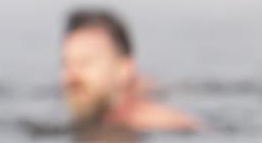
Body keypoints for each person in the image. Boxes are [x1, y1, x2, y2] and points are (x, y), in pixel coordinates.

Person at [59, 7, 200, 134]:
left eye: (85, 62)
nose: (73, 76)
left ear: (124, 69)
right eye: (67, 64)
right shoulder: (96, 124)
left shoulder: (163, 126)